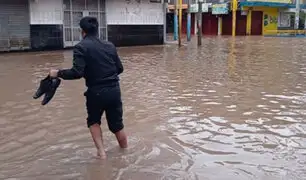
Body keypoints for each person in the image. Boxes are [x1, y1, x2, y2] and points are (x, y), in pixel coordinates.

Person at [49, 16, 127, 159]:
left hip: (96, 92)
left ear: (82, 31)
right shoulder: (109, 45)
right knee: (117, 125)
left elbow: (77, 72)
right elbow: (120, 69)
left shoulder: (81, 47)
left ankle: (102, 154)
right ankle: (125, 152)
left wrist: (58, 73)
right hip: (114, 91)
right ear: (97, 29)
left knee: (93, 121)